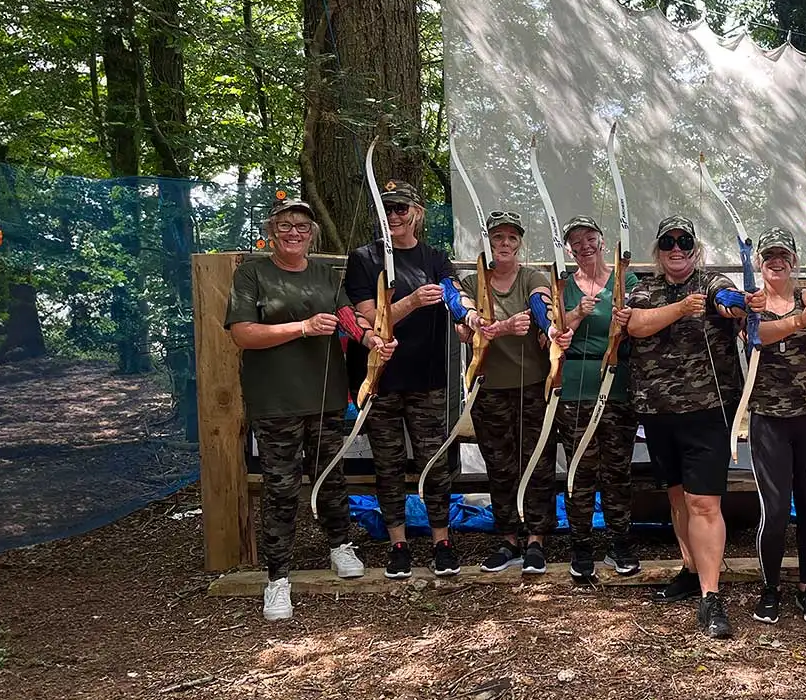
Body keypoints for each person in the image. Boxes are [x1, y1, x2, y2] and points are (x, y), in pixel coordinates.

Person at [227, 195, 396, 620]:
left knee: (331, 478)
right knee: (282, 489)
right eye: (285, 225)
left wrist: (371, 340)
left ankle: (340, 546)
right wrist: (302, 327)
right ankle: (278, 578)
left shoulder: (324, 274)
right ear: (272, 231)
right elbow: (243, 333)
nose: (294, 233)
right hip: (276, 401)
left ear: (311, 234)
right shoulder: (252, 274)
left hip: (325, 400)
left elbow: (347, 317)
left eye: (302, 227)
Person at [618, 216, 745, 638]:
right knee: (677, 497)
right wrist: (680, 308)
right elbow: (636, 324)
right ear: (658, 250)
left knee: (703, 503)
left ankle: (711, 596)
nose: (676, 249)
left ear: (695, 248)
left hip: (708, 412)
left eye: (684, 241)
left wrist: (736, 303)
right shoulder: (644, 288)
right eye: (668, 242)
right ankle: (691, 570)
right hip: (658, 413)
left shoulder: (712, 283)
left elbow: (728, 300)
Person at [342, 180, 461, 580]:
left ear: (417, 213)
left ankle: (442, 541)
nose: (394, 216)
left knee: (434, 461)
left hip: (426, 378)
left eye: (401, 209)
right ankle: (398, 544)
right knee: (388, 463)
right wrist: (410, 302)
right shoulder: (364, 258)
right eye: (387, 209)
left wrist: (470, 318)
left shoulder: (435, 258)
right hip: (379, 378)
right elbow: (369, 319)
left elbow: (456, 296)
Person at [445, 211, 558, 576]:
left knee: (537, 462)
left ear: (519, 243)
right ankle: (509, 539)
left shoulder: (531, 277)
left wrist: (547, 326)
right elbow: (464, 319)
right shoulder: (473, 282)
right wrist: (478, 324)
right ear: (488, 242)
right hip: (489, 389)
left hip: (532, 388)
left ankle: (536, 540)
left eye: (511, 238)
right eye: (497, 237)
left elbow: (541, 303)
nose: (505, 244)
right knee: (500, 466)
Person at [743, 228, 806, 624]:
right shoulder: (752, 303)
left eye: (783, 255)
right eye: (769, 256)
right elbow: (758, 335)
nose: (776, 262)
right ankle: (770, 588)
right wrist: (799, 320)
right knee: (776, 509)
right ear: (759, 262)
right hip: (769, 418)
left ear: (794, 261)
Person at [551, 215, 641, 581]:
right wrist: (576, 313)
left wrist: (627, 317)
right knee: (581, 469)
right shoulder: (564, 287)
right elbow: (552, 333)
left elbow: (638, 322)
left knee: (617, 470)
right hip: (576, 388)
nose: (584, 245)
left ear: (602, 241)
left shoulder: (625, 280)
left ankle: (620, 543)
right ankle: (581, 546)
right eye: (576, 241)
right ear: (569, 249)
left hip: (616, 385)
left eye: (590, 238)